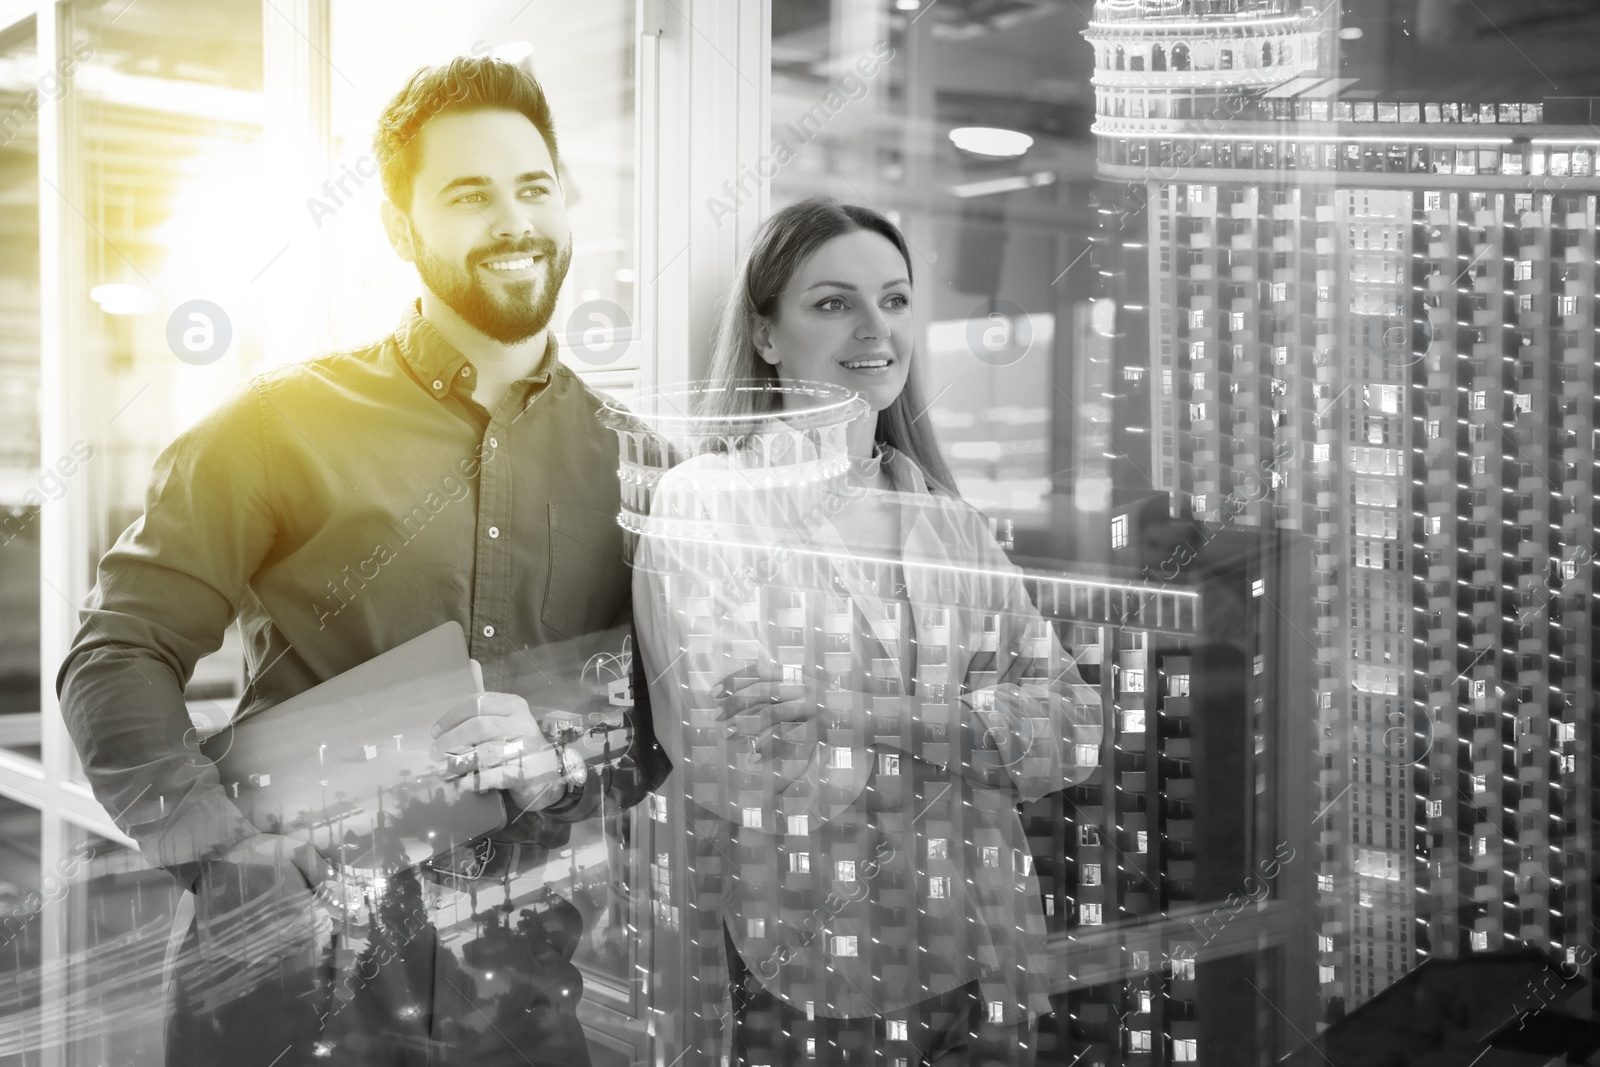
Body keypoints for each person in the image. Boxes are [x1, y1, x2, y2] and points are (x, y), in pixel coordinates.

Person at [56, 55, 665, 1067]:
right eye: (468, 195)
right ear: (397, 227)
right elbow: (118, 648)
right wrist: (225, 853)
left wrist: (561, 749)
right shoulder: (275, 427)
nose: (513, 220)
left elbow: (659, 719)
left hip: (522, 1004)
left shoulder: (638, 464)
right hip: (286, 996)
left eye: (534, 188)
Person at [631, 197, 1104, 1066]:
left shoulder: (946, 518)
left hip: (983, 954)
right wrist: (968, 724)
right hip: (819, 972)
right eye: (832, 302)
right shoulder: (705, 504)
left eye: (893, 299)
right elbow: (756, 769)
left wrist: (849, 712)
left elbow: (1071, 734)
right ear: (766, 334)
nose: (874, 327)